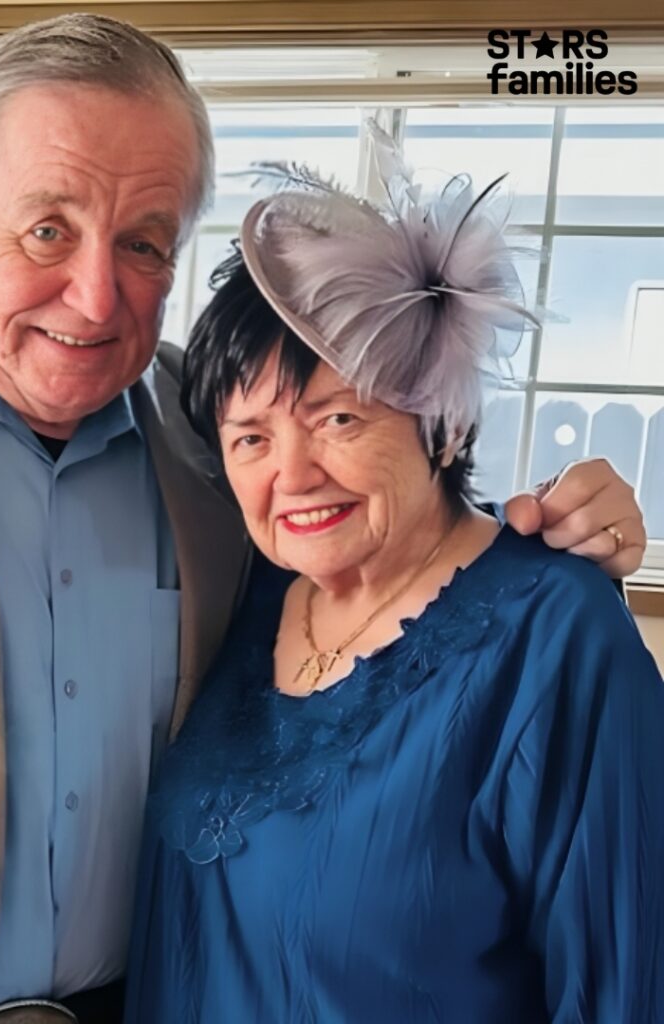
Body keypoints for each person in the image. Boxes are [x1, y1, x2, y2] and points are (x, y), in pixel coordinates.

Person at [0, 15, 647, 1024]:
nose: (92, 296)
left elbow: (383, 512)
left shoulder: (207, 440)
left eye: (141, 243)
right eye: (48, 229)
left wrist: (551, 523)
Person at [124, 134, 664, 1022]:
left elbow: (622, 985)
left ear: (444, 425)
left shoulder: (555, 636)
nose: (291, 475)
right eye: (251, 436)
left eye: (337, 418)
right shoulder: (246, 592)